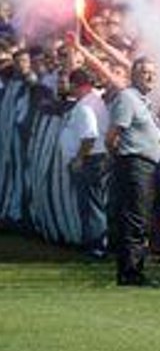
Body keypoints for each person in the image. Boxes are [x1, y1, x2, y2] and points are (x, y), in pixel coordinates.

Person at [107, 57, 160, 286]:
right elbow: (112, 136)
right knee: (135, 218)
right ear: (133, 74)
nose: (149, 76)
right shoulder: (128, 98)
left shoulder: (143, 101)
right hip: (134, 163)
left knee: (139, 218)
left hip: (144, 165)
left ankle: (133, 269)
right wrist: (123, 159)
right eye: (144, 72)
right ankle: (131, 272)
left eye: (152, 72)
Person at [60, 68, 110, 257]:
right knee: (93, 203)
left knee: (91, 204)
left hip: (91, 159)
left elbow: (89, 136)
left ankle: (96, 247)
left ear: (75, 85)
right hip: (96, 157)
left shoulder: (85, 106)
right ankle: (95, 243)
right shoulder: (94, 101)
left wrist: (79, 159)